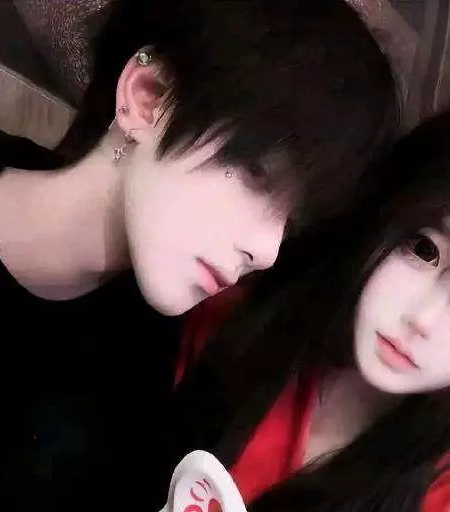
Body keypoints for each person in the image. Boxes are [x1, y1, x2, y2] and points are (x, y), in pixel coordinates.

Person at [0, 0, 399, 509]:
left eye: (292, 226)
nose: (267, 251)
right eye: (257, 174)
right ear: (148, 98)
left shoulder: (137, 383)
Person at [170, 112, 450, 512]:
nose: (423, 320)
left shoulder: (438, 493)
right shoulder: (230, 315)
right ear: (385, 215)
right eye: (425, 250)